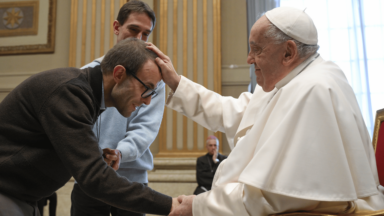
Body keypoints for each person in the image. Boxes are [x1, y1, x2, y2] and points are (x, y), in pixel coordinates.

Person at [148, 6, 384, 216]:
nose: (249, 59)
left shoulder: (314, 90)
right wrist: (176, 83)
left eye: (257, 50)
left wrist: (199, 207)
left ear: (288, 53)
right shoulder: (288, 80)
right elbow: (229, 112)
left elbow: (278, 196)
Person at [0, 38, 180, 216]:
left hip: (22, 197)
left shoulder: (86, 94)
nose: (148, 101)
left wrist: (94, 154)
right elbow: (95, 178)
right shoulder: (70, 93)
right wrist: (170, 205)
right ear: (119, 74)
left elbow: (56, 145)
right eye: (146, 88)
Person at [70, 1, 166, 216]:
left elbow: (145, 129)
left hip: (132, 182)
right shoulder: (86, 73)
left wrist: (120, 153)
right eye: (133, 30)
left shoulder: (155, 80)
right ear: (117, 27)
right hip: (90, 180)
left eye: (145, 34)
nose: (139, 39)